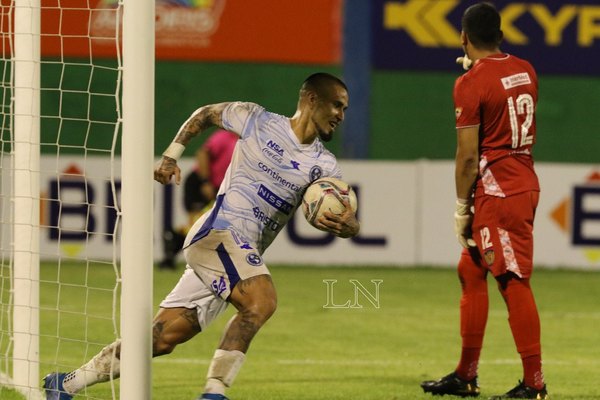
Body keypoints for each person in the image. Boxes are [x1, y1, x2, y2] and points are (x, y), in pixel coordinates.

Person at [42, 72, 360, 400]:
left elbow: (332, 209)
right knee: (261, 302)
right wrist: (171, 155)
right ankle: (214, 394)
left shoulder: (324, 165)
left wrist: (352, 227)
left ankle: (65, 384)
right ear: (311, 100)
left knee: (162, 338)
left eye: (345, 109)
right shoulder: (257, 120)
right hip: (217, 233)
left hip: (238, 253)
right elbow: (205, 114)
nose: (341, 116)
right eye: (337, 105)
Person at [420, 3, 548, 399]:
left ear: (463, 36)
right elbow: (505, 99)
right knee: (472, 271)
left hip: (497, 193)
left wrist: (462, 207)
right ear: (501, 34)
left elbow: (468, 156)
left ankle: (534, 384)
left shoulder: (470, 82)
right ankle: (465, 375)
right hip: (522, 181)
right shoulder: (526, 69)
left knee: (512, 281)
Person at [160, 129, 238, 269]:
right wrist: (205, 181)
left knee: (204, 227)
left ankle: (172, 244)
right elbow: (202, 154)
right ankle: (172, 241)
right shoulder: (224, 137)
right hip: (199, 184)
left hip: (217, 188)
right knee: (197, 225)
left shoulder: (245, 143)